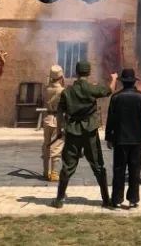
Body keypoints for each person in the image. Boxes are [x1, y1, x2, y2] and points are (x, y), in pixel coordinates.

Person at [50, 61, 117, 209]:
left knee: (67, 166)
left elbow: (60, 113)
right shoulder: (91, 88)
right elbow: (108, 91)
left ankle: (59, 199)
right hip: (90, 132)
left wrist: (60, 130)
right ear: (88, 72)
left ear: (76, 73)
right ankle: (106, 200)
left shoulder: (67, 92)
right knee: (98, 165)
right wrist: (113, 79)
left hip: (73, 131)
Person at [105, 68, 141, 209]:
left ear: (123, 82)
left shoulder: (116, 97)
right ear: (133, 82)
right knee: (135, 170)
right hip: (137, 140)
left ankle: (117, 199)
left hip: (120, 139)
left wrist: (108, 137)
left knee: (119, 170)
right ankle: (133, 199)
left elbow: (111, 119)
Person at [41, 64, 66, 181]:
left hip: (47, 118)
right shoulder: (62, 90)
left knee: (46, 145)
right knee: (57, 146)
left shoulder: (46, 88)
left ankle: (46, 172)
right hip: (57, 119)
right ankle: (54, 173)